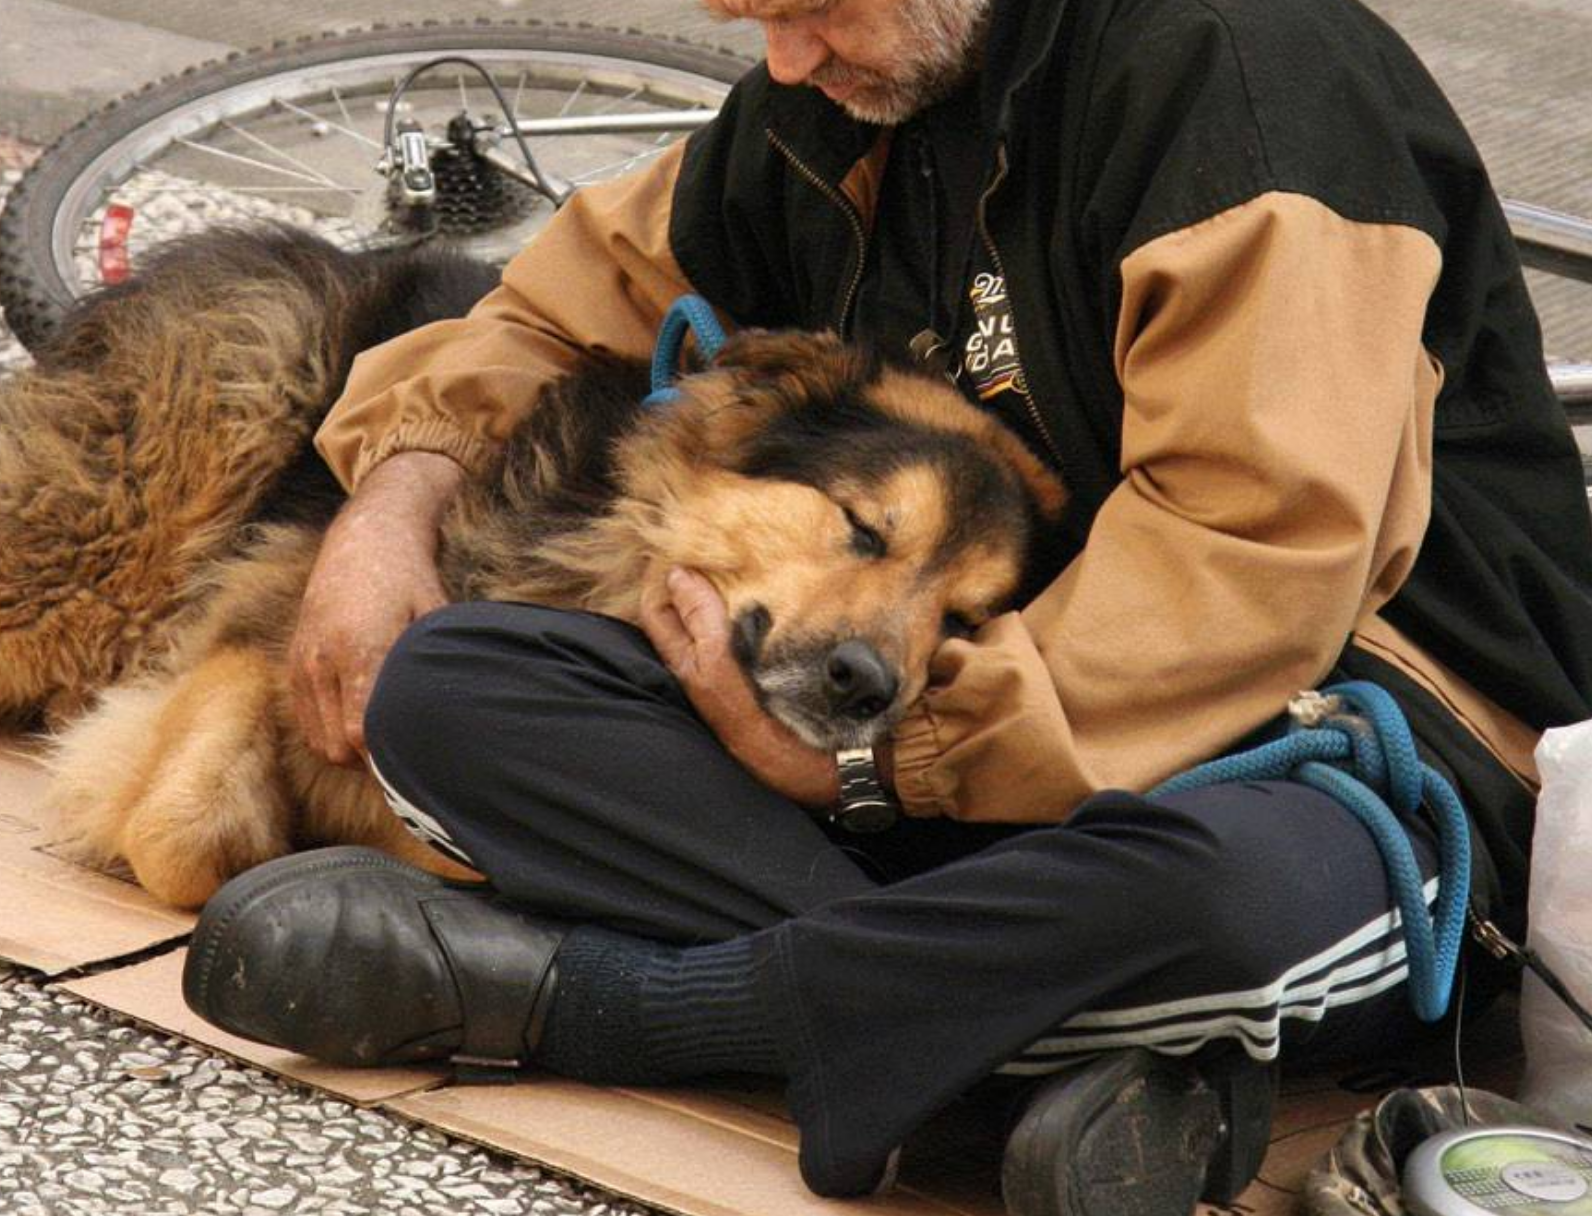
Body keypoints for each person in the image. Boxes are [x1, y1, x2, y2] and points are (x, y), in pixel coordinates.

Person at [181, 0, 1592, 1211]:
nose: (786, 60)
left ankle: (606, 1004)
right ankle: (1015, 1040)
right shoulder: (844, 96)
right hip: (968, 733)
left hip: (1355, 732)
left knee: (1207, 900)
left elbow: (1256, 552)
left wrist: (874, 768)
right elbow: (551, 310)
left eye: (811, 10)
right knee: (458, 686)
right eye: (753, 21)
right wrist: (391, 502)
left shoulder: (1240, 79)